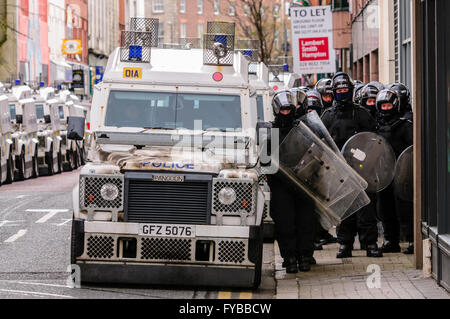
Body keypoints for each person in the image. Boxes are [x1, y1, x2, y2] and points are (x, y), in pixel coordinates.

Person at [321, 72, 382, 258]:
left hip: (362, 168)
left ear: (351, 90)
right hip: (339, 170)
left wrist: (365, 157)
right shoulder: (328, 116)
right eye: (339, 90)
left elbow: (374, 140)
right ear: (334, 91)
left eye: (345, 89)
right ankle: (345, 244)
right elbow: (321, 141)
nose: (342, 92)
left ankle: (370, 243)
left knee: (366, 208)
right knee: (345, 208)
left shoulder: (362, 114)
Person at [268, 90, 317, 273]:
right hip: (282, 185)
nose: (286, 114)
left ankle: (305, 256)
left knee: (306, 223)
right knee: (285, 223)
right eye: (283, 110)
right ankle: (289, 258)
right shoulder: (271, 131)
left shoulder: (304, 129)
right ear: (277, 110)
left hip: (304, 183)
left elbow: (316, 154)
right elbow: (266, 161)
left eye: (289, 110)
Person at [375, 89, 414, 254]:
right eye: (383, 105)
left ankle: (412, 240)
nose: (386, 108)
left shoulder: (405, 126)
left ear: (395, 105)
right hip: (384, 174)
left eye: (388, 104)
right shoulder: (376, 126)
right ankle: (391, 240)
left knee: (404, 208)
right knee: (386, 209)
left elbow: (412, 150)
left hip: (402, 174)